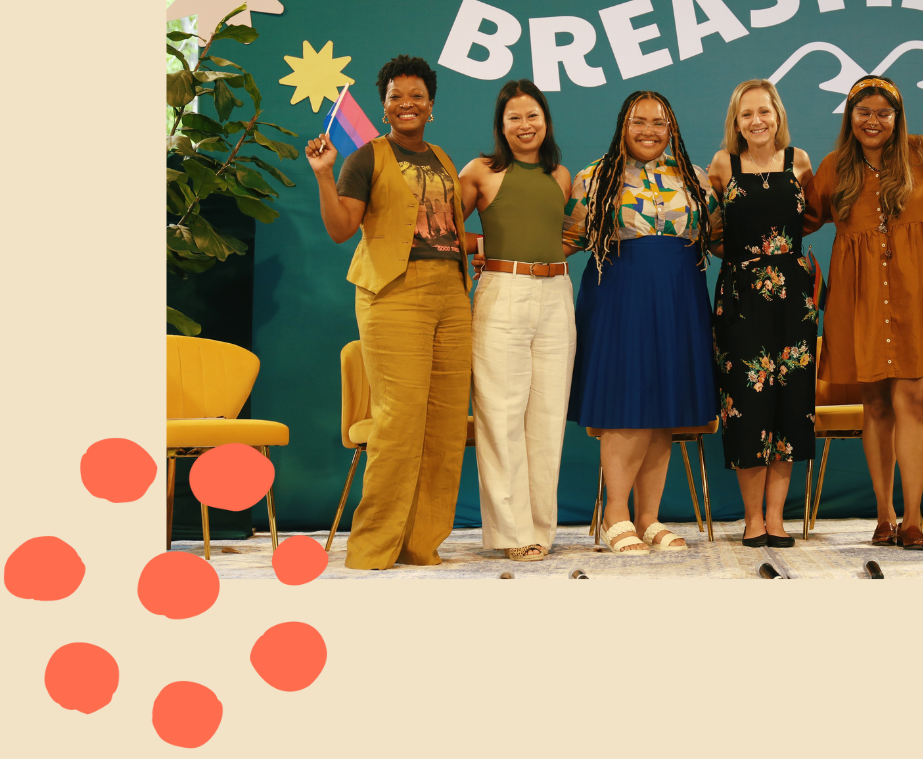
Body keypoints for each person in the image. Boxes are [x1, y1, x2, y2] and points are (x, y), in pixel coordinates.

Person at [304, 55, 476, 571]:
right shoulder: (366, 159)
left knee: (445, 426)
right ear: (383, 108)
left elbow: (440, 231)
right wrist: (324, 174)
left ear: (431, 106)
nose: (407, 103)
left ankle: (421, 544)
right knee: (398, 422)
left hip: (451, 293)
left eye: (417, 96)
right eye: (396, 96)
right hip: (394, 294)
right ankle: (374, 547)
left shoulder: (444, 159)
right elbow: (341, 229)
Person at [805, 75, 923, 552]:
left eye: (883, 113)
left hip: (918, 297)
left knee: (913, 405)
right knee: (874, 406)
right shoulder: (833, 168)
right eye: (863, 111)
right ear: (849, 116)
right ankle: (884, 514)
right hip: (860, 301)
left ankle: (913, 519)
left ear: (897, 117)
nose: (873, 121)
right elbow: (798, 222)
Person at [565, 91, 720, 553]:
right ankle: (616, 513)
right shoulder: (594, 177)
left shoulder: (694, 178)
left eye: (659, 123)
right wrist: (494, 258)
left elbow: (722, 238)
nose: (650, 131)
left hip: (679, 299)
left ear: (671, 129)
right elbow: (568, 239)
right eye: (639, 121)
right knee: (625, 404)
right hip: (619, 297)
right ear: (622, 125)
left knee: (662, 410)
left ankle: (649, 518)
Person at [458, 80, 574, 564]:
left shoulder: (561, 175)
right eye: (514, 118)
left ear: (545, 121)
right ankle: (511, 532)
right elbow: (439, 230)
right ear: (501, 126)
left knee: (547, 417)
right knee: (501, 414)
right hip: (503, 294)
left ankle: (539, 531)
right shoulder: (481, 171)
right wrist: (486, 249)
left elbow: (560, 232)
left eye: (533, 116)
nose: (525, 126)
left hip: (557, 294)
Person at [707, 80, 817, 548]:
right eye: (746, 113)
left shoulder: (800, 162)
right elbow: (712, 230)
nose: (756, 120)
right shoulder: (722, 165)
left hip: (794, 298)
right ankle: (752, 518)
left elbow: (808, 220)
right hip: (741, 296)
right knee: (747, 407)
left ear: (778, 116)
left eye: (764, 112)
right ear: (736, 121)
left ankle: (777, 517)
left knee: (790, 404)